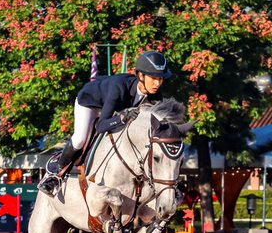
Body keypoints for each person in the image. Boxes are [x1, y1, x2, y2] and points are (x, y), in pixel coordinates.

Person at [38, 50, 173, 195]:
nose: (157, 83)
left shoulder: (155, 95)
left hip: (112, 109)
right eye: (153, 78)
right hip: (90, 104)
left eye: (161, 78)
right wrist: (122, 118)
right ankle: (55, 174)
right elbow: (100, 126)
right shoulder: (119, 88)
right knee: (80, 139)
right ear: (141, 75)